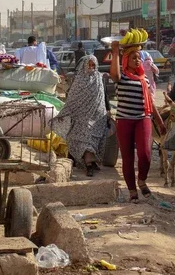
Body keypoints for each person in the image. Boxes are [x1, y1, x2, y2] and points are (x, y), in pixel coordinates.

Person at [110, 40, 166, 202]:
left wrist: (160, 121)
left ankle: (142, 180)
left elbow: (150, 101)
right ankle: (132, 190)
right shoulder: (121, 78)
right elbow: (114, 74)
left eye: (139, 58)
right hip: (124, 120)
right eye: (133, 58)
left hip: (143, 119)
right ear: (126, 60)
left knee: (145, 154)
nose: (137, 60)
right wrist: (115, 52)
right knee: (127, 158)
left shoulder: (144, 79)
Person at [53, 55, 111, 177]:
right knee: (84, 140)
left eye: (93, 65)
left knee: (95, 140)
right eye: (89, 65)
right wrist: (65, 112)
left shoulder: (99, 78)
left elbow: (104, 96)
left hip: (98, 117)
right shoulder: (79, 80)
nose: (91, 67)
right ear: (84, 65)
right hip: (82, 117)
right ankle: (88, 165)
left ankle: (90, 162)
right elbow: (72, 100)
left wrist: (108, 110)